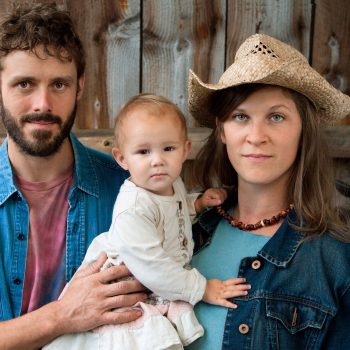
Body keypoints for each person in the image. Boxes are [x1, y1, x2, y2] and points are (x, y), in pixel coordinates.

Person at [44, 94, 251, 350]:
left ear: (185, 150)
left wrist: (195, 204)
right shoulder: (132, 208)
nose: (157, 160)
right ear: (122, 158)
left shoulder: (169, 182)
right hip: (132, 284)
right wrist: (202, 288)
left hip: (157, 275)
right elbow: (153, 267)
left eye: (168, 149)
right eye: (143, 151)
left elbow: (167, 213)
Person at [185, 33, 350, 349]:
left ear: (306, 128)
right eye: (241, 117)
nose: (256, 135)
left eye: (276, 116)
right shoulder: (182, 230)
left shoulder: (335, 260)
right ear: (221, 129)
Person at [0, 3, 146, 349]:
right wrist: (63, 314)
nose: (43, 104)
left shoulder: (127, 189)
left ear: (79, 87)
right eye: (24, 84)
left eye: (59, 85)